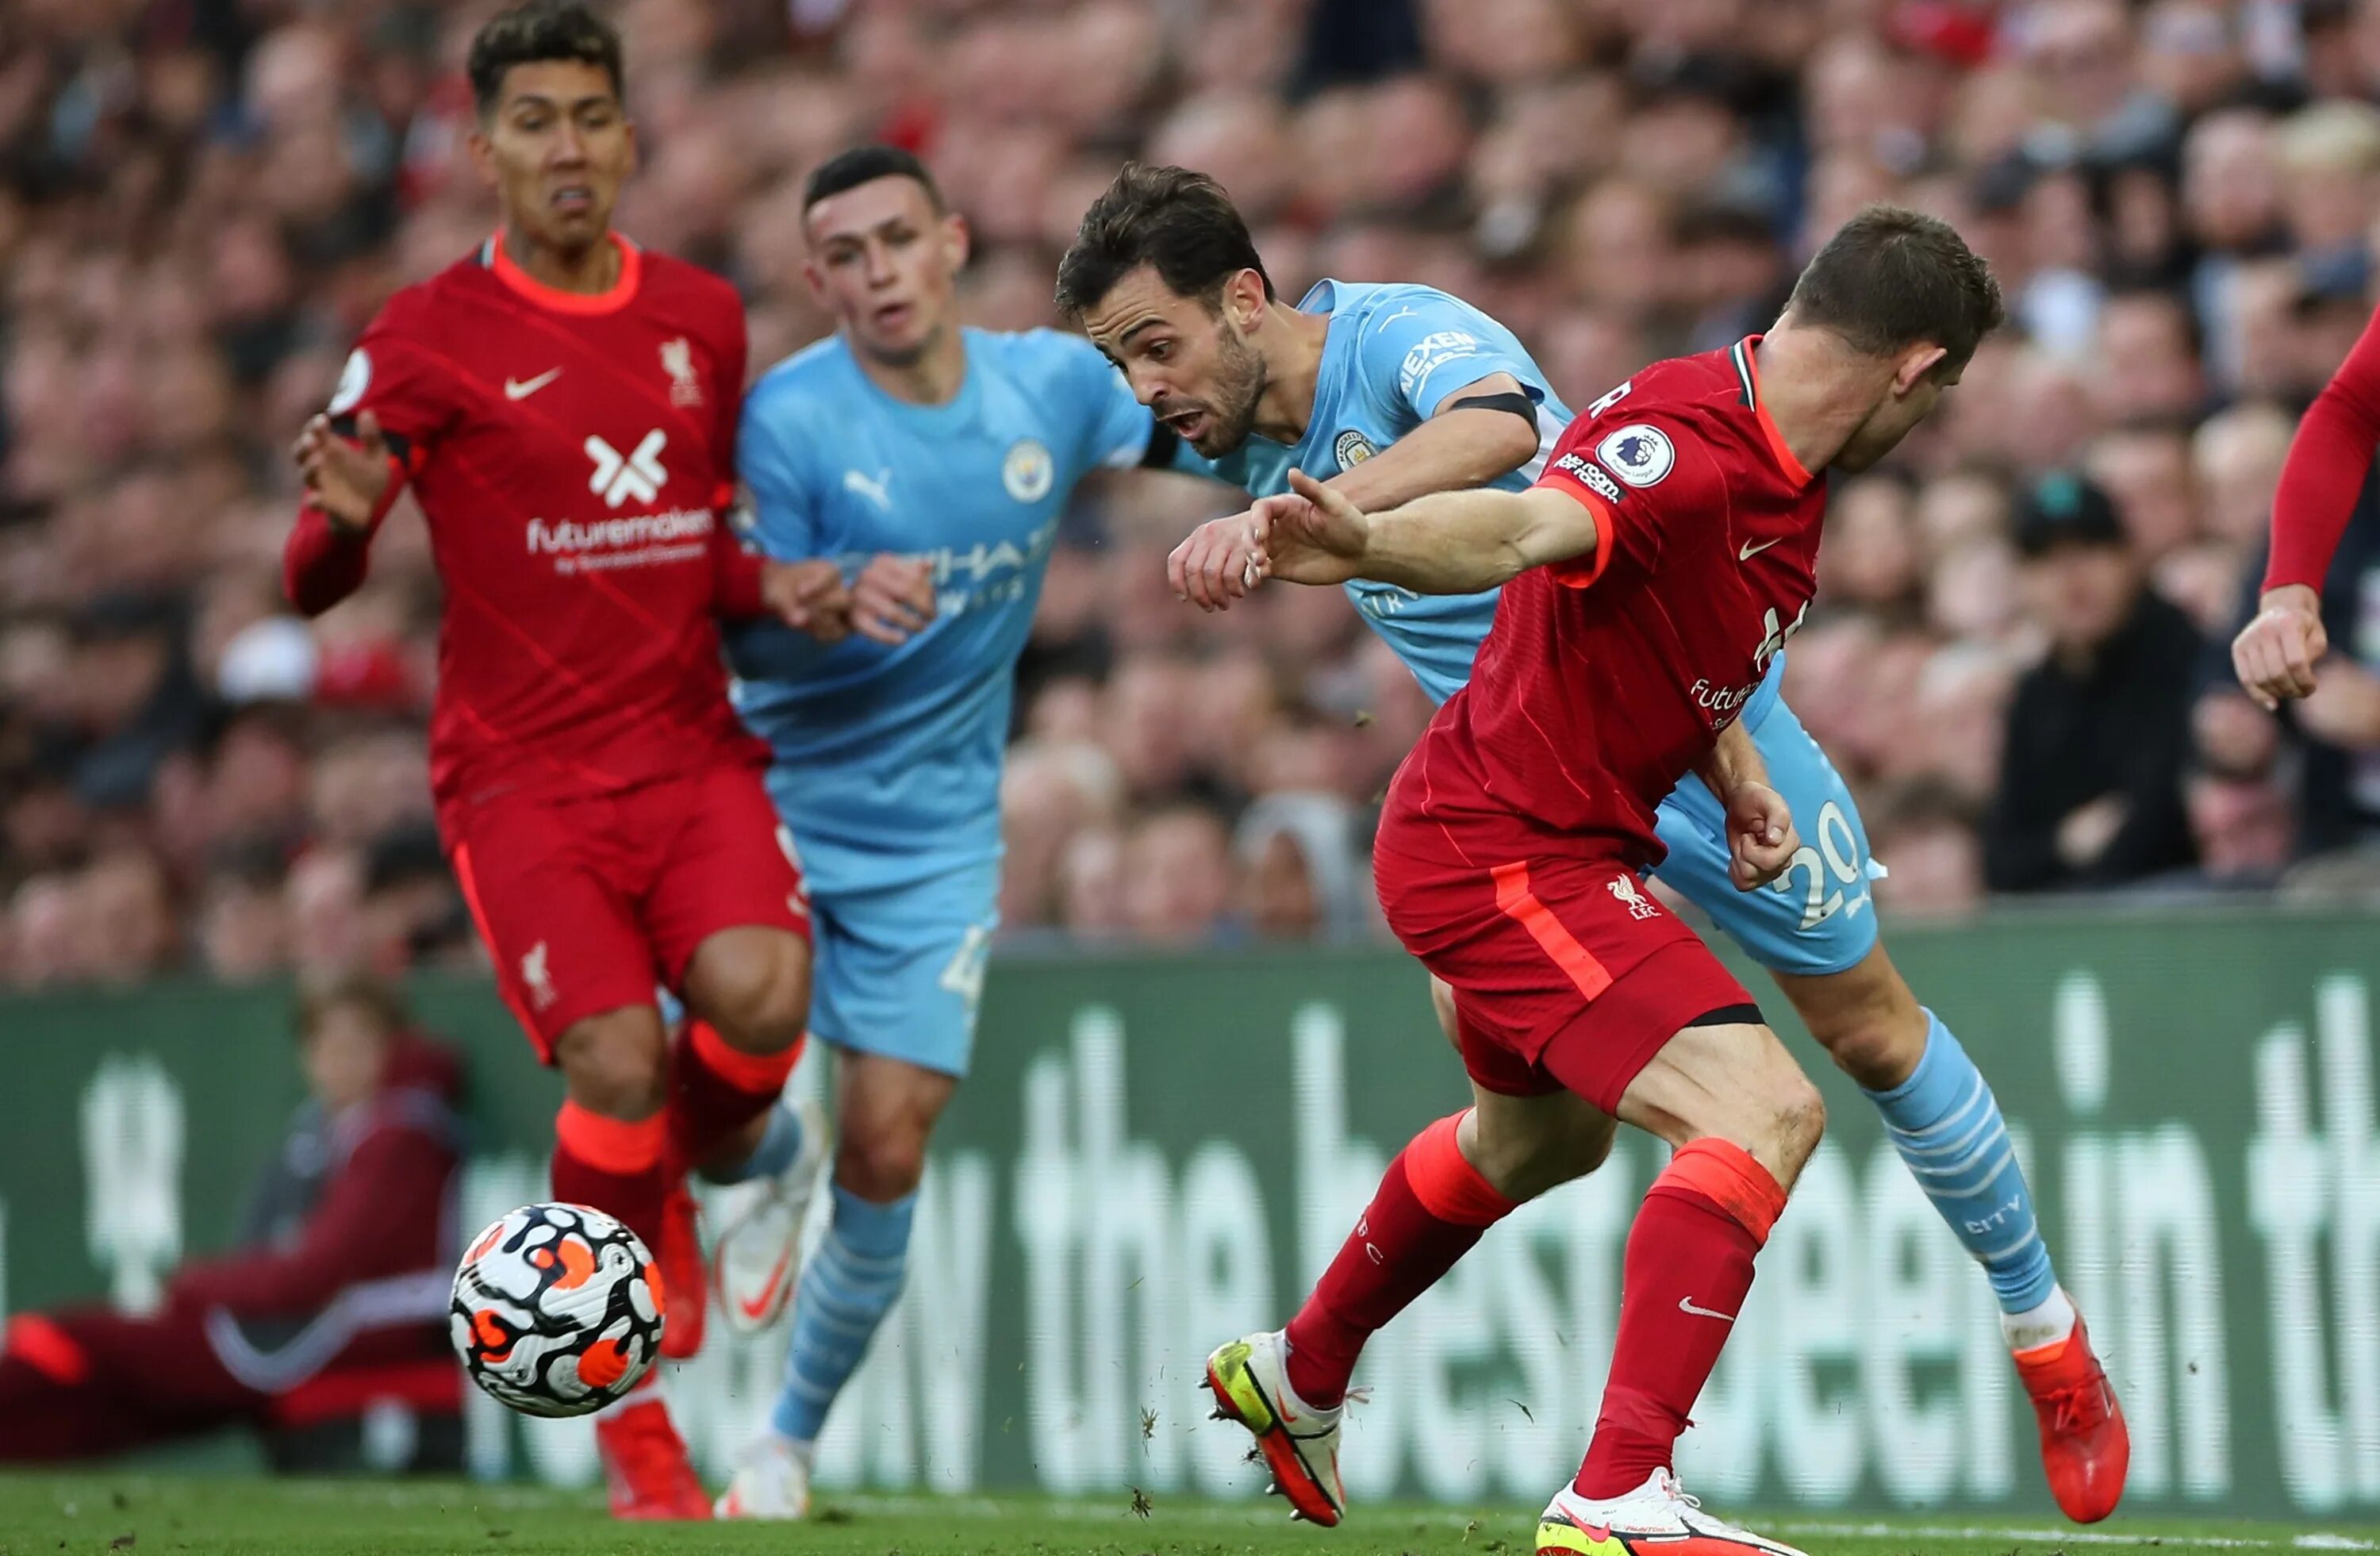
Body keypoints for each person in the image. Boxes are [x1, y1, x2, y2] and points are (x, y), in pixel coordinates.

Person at [1054, 168, 2127, 1527]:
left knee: (1646, 1100)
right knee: (1738, 1110)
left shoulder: (1395, 340)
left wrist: (1342, 521)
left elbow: (1507, 444)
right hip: (1527, 791)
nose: (1148, 388)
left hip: (1634, 753)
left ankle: (2047, 1337)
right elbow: (1565, 542)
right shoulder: (1234, 433)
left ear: (1250, 304)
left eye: (1156, 348)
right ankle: (1622, 1487)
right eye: (1124, 363)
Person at [281, 1, 842, 1518]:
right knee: (612, 1061)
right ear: (482, 150)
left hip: (686, 747)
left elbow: (698, 540)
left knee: (764, 1005)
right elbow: (309, 585)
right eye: (534, 121)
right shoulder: (420, 337)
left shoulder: (703, 317)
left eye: (591, 115)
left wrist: (773, 585)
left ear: (631, 134)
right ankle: (630, 1424)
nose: (569, 146)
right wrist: (336, 517)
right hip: (520, 780)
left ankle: (667, 1179)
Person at [704, 145, 1194, 1520]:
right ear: (818, 283)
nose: (876, 276)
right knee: (741, 1051)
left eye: (896, 242)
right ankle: (760, 1155)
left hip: (934, 833)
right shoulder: (788, 423)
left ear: (951, 244)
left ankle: (782, 1448)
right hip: (778, 791)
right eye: (845, 258)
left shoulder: (1047, 385)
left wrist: (1338, 480)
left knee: (891, 1147)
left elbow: (1204, 420)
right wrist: (827, 603)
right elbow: (736, 620)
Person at [0, 975, 463, 1465]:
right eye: (325, 1042)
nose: (340, 1058)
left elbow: (317, 1271)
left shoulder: (398, 1136)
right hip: (290, 1325)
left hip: (336, 1332)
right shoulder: (325, 1131)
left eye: (358, 1041)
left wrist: (199, 1285)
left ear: (390, 1044)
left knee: (70, 1338)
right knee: (109, 1389)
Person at [1983, 472, 2203, 891]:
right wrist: (2064, 845)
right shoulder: (2035, 694)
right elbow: (2000, 861)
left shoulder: (2182, 655)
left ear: (2129, 559)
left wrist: (2050, 856)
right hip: (2072, 922)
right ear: (2023, 582)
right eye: (2046, 560)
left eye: (2089, 550)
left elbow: (2160, 827)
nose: (2071, 578)